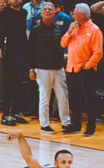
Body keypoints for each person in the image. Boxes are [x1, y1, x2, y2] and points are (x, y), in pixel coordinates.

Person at [28, 2, 72, 134]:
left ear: (54, 13)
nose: (47, 11)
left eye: (50, 9)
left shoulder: (58, 28)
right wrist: (31, 69)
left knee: (63, 96)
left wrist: (65, 65)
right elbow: (30, 50)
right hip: (42, 69)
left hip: (58, 68)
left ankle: (66, 123)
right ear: (41, 13)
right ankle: (44, 124)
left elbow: (63, 47)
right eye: (45, 9)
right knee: (45, 97)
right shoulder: (35, 29)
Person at [61, 3, 103, 136]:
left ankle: (91, 127)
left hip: (86, 70)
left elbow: (98, 52)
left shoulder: (95, 30)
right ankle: (76, 124)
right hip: (72, 67)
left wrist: (88, 65)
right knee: (74, 98)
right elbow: (63, 43)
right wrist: (68, 32)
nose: (72, 15)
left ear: (83, 15)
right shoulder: (73, 27)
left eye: (75, 13)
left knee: (89, 99)